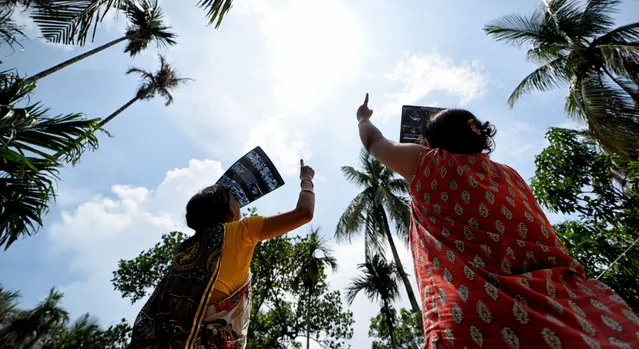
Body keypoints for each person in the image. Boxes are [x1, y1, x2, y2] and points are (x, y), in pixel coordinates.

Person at [355, 94, 639, 349]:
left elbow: (374, 143)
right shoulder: (510, 175)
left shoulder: (428, 164)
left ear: (429, 144)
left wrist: (363, 119)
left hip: (479, 316)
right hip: (575, 308)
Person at [128, 160, 316, 349]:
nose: (239, 201)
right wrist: (306, 179)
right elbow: (304, 213)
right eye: (234, 197)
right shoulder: (241, 232)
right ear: (230, 209)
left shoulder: (187, 249)